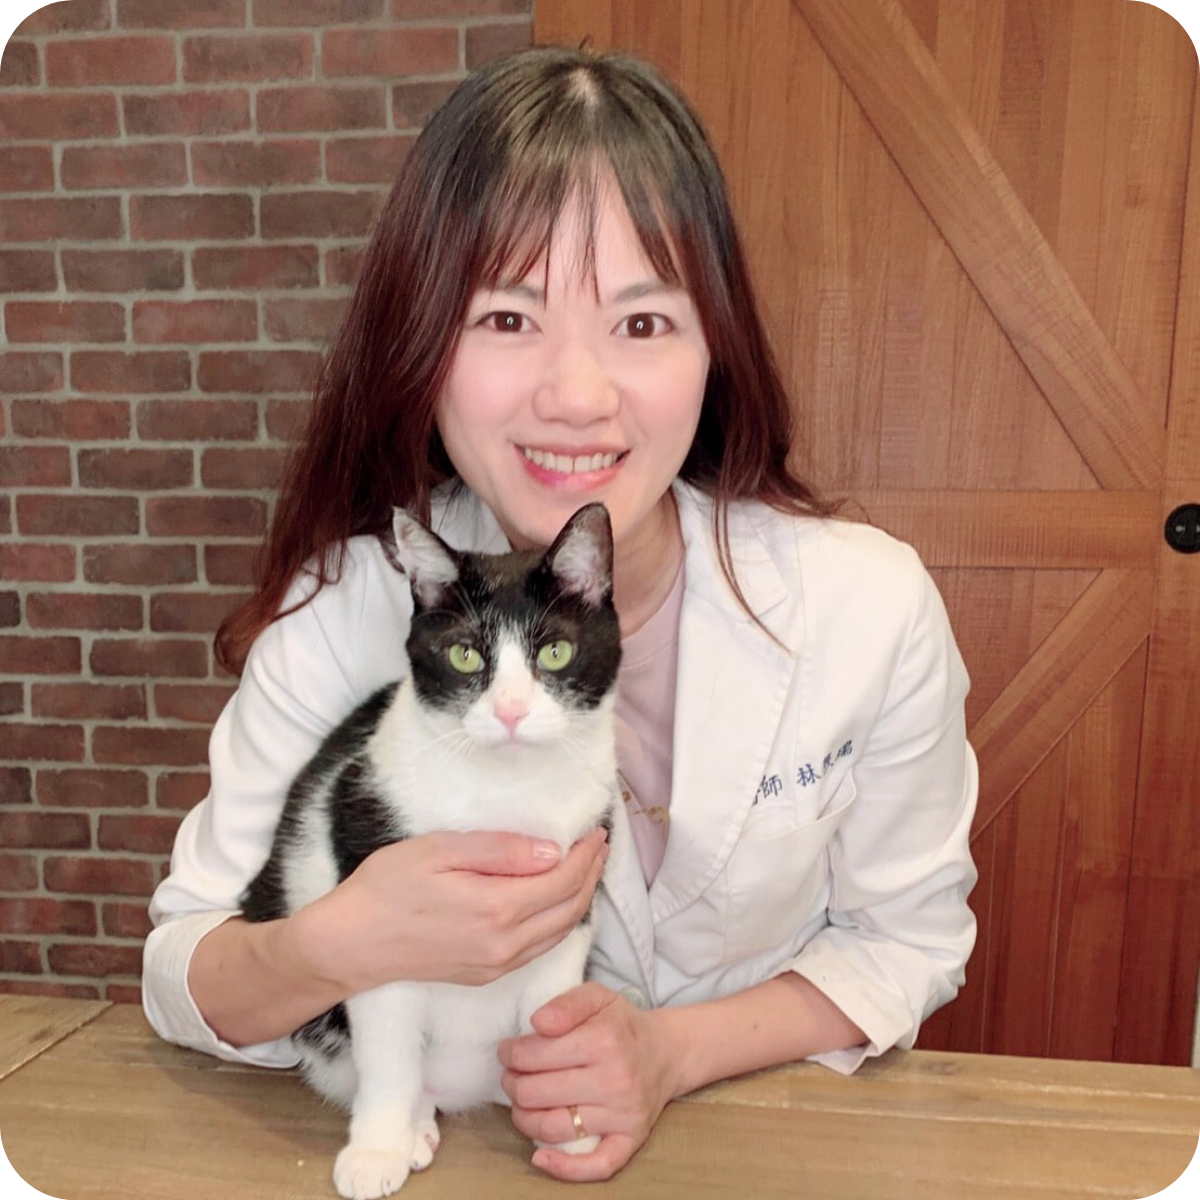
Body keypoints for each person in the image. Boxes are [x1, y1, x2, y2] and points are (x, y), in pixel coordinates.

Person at [143, 45, 977, 1183]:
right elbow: (182, 970)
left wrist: (670, 1053)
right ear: (420, 343)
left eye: (642, 324)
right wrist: (334, 944)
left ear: (715, 346)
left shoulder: (868, 607)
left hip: (777, 1153)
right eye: (506, 319)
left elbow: (909, 943)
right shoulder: (345, 608)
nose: (577, 397)